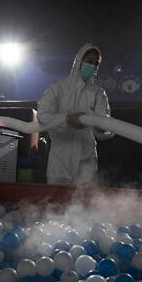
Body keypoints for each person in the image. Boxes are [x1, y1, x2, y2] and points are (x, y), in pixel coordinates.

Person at [37, 43, 114, 185]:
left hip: (86, 158)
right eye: (89, 62)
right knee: (55, 202)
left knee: (84, 203)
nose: (93, 67)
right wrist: (67, 119)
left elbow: (104, 123)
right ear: (79, 61)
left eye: (96, 64)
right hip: (60, 159)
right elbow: (42, 115)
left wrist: (102, 127)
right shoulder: (58, 88)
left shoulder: (98, 93)